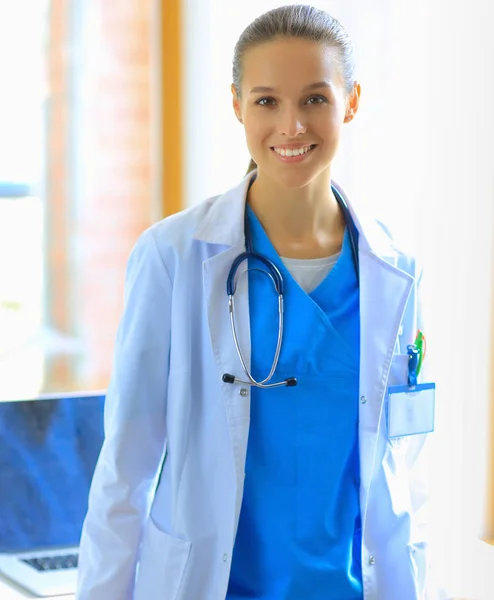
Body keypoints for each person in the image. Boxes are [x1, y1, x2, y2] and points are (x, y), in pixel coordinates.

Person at [77, 5, 443, 600]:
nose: (292, 125)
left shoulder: (394, 271)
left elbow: (402, 471)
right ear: (237, 105)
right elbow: (126, 469)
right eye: (267, 101)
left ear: (350, 102)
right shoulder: (173, 257)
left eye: (316, 99)